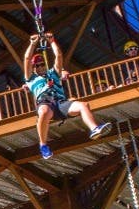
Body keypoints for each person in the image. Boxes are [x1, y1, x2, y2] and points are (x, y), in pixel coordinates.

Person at [21, 32, 112, 160]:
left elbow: (58, 56)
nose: (40, 67)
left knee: (83, 105)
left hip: (60, 103)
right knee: (44, 111)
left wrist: (52, 41)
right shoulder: (31, 79)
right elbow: (26, 58)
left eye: (42, 64)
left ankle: (94, 128)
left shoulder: (53, 73)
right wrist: (32, 43)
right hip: (45, 102)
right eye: (37, 65)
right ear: (33, 68)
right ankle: (43, 145)